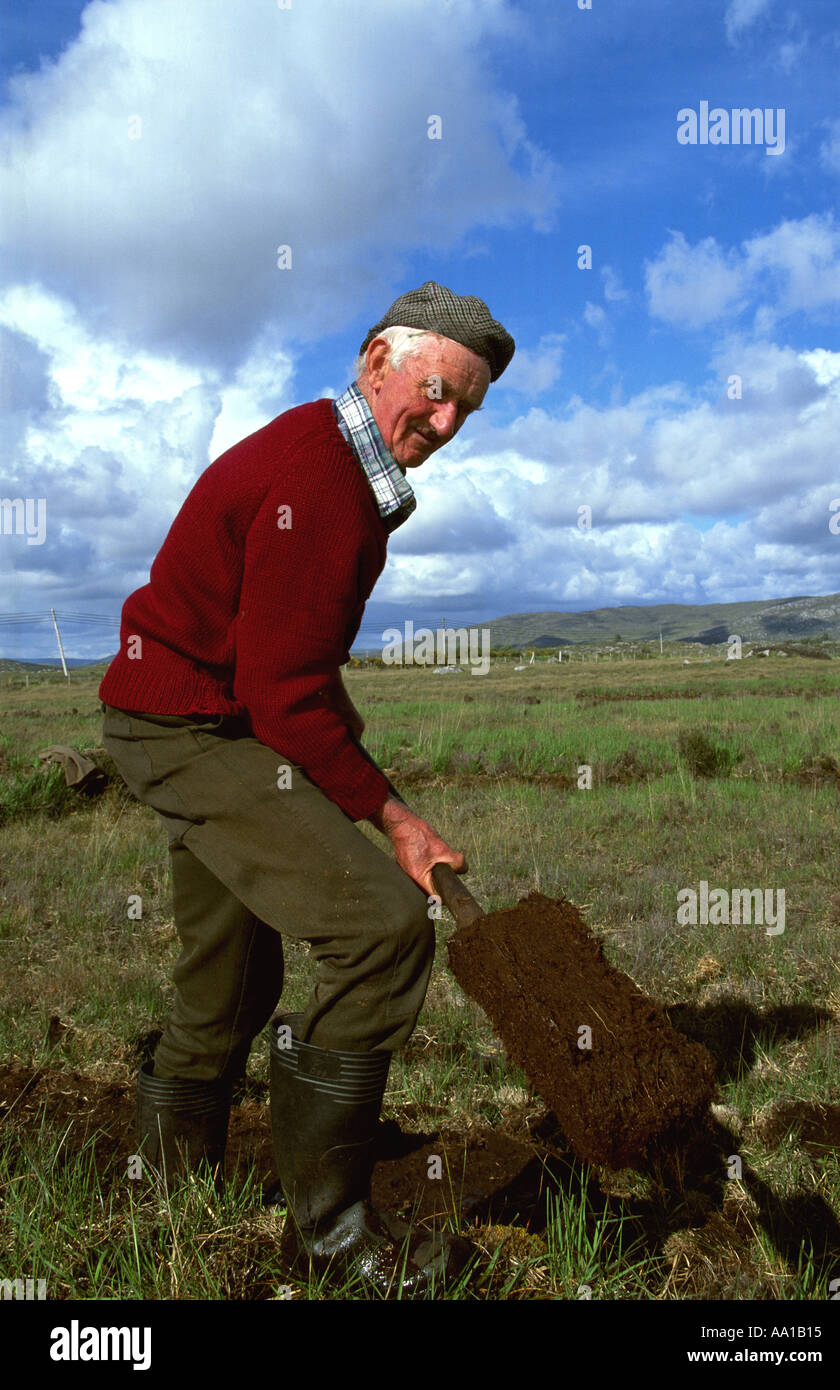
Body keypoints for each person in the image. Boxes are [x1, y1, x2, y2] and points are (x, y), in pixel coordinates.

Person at [98, 280, 515, 1292]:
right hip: (192, 726)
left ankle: (161, 1188)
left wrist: (350, 778)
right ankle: (330, 1238)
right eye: (433, 387)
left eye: (466, 403)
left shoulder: (337, 466)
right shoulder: (317, 477)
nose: (446, 419)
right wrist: (395, 821)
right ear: (377, 360)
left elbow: (290, 671)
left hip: (206, 716)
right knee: (380, 930)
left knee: (232, 976)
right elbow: (284, 693)